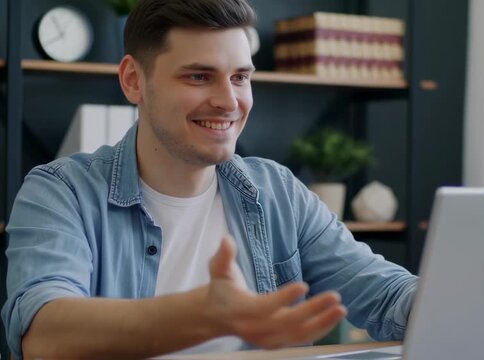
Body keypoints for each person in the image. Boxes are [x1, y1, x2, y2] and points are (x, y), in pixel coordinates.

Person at [1, 0, 417, 358]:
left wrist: (459, 297)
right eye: (199, 76)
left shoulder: (277, 192)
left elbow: (384, 296)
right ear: (133, 81)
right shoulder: (61, 191)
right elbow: (43, 333)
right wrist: (203, 315)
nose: (228, 101)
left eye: (240, 77)